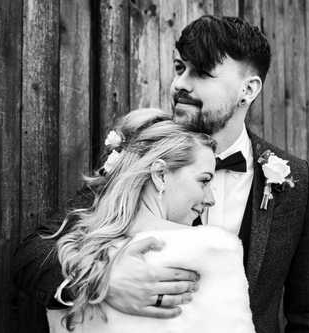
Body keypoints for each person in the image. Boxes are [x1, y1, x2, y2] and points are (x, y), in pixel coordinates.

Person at [13, 15, 309, 332]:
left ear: (248, 89)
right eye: (180, 68)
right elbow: (33, 254)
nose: (180, 84)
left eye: (202, 72)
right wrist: (99, 281)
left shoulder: (292, 178)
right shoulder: (138, 156)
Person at [45, 108, 255, 332]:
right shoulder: (214, 249)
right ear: (160, 174)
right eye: (204, 181)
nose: (210, 199)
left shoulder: (76, 257)